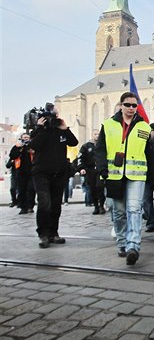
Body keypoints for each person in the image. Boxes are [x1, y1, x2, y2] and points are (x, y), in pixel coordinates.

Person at [95, 92, 154, 265]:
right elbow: (100, 149)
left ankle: (133, 246)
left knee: (134, 209)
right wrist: (102, 170)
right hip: (114, 175)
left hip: (136, 175)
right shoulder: (108, 125)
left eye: (134, 105)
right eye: (127, 105)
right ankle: (122, 242)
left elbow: (148, 152)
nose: (131, 108)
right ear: (121, 105)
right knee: (119, 212)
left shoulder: (144, 127)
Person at [28, 106, 79, 248]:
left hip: (59, 172)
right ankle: (43, 234)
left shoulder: (60, 131)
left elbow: (74, 142)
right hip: (41, 173)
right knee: (44, 202)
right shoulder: (39, 132)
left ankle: (53, 232)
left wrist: (65, 128)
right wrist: (41, 128)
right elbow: (34, 145)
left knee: (56, 205)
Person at [77, 129, 106, 214]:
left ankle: (101, 205)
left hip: (100, 170)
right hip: (90, 170)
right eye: (95, 134)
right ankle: (96, 206)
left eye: (98, 134)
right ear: (92, 135)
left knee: (100, 186)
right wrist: (81, 168)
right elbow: (80, 158)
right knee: (92, 188)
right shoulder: (86, 146)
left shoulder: (103, 145)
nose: (97, 136)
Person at [9, 133, 36, 215]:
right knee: (22, 190)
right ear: (21, 138)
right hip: (21, 172)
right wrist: (19, 148)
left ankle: (30, 206)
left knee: (31, 189)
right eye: (24, 137)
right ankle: (23, 207)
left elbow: (40, 155)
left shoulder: (33, 145)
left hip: (32, 171)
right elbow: (12, 156)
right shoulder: (17, 146)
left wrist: (33, 152)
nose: (26, 139)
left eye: (27, 137)